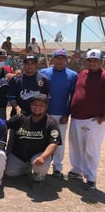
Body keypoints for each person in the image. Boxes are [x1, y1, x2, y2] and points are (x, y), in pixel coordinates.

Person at [5, 94, 62, 189]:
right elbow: (3, 125)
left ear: (46, 107)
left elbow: (54, 143)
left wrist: (43, 157)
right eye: (35, 104)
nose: (37, 107)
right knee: (9, 172)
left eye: (41, 105)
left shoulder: (51, 122)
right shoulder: (21, 118)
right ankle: (27, 169)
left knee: (41, 164)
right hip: (19, 155)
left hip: (38, 155)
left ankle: (38, 178)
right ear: (30, 105)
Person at [68, 49, 105, 191]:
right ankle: (76, 170)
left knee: (91, 149)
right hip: (77, 117)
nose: (92, 63)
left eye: (95, 60)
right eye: (89, 60)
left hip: (94, 120)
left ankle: (91, 178)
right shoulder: (83, 73)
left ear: (101, 61)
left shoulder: (103, 76)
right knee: (75, 146)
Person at [39, 49, 77, 178]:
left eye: (62, 58)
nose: (59, 60)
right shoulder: (44, 72)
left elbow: (73, 97)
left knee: (59, 142)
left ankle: (57, 168)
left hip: (61, 115)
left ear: (66, 60)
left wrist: (67, 114)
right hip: (45, 114)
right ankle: (43, 164)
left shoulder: (72, 75)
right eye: (57, 58)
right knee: (44, 140)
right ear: (53, 59)